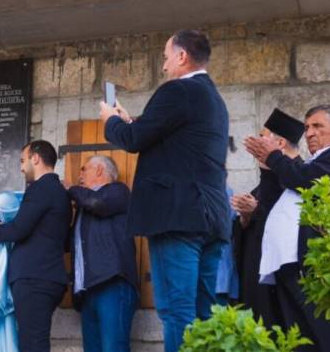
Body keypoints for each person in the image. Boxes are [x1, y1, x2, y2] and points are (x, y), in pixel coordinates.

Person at [99, 29, 231, 352]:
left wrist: (110, 121)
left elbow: (133, 141)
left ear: (182, 56)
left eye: (166, 57)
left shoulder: (178, 90)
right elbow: (167, 140)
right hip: (211, 218)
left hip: (178, 218)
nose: (163, 65)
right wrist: (131, 122)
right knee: (203, 311)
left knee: (176, 311)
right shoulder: (214, 99)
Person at [245, 105, 330, 352]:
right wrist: (268, 169)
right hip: (290, 266)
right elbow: (271, 204)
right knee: (303, 340)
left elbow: (305, 180)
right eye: (307, 127)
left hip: (324, 269)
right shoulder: (311, 164)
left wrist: (274, 157)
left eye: (317, 126)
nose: (310, 133)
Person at [0, 140, 71, 352]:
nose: (21, 167)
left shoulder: (41, 188)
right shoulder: (59, 191)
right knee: (33, 342)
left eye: (23, 160)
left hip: (35, 279)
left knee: (33, 345)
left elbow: (19, 228)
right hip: (46, 277)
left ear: (35, 158)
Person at [231, 108, 304, 325]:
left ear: (279, 143)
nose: (256, 142)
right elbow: (249, 227)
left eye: (262, 137)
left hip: (283, 277)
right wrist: (245, 218)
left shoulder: (300, 176)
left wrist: (257, 212)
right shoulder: (264, 182)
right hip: (255, 273)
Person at [66, 155, 138, 352]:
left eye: (84, 169)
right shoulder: (83, 206)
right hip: (87, 292)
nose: (79, 175)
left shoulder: (118, 190)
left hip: (112, 285)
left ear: (99, 170)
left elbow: (98, 204)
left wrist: (71, 189)